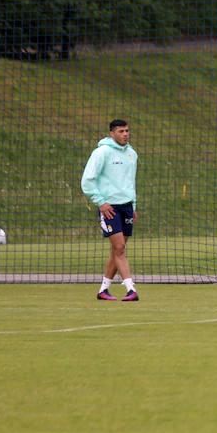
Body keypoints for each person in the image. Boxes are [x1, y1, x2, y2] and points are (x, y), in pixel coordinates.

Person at [80, 118, 140, 301]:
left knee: (117, 250)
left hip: (127, 207)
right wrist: (101, 202)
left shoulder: (132, 154)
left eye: (127, 131)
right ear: (112, 133)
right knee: (119, 248)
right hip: (109, 208)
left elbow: (130, 182)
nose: (125, 134)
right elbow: (87, 180)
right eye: (121, 131)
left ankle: (103, 290)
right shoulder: (102, 152)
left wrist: (134, 205)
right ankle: (131, 289)